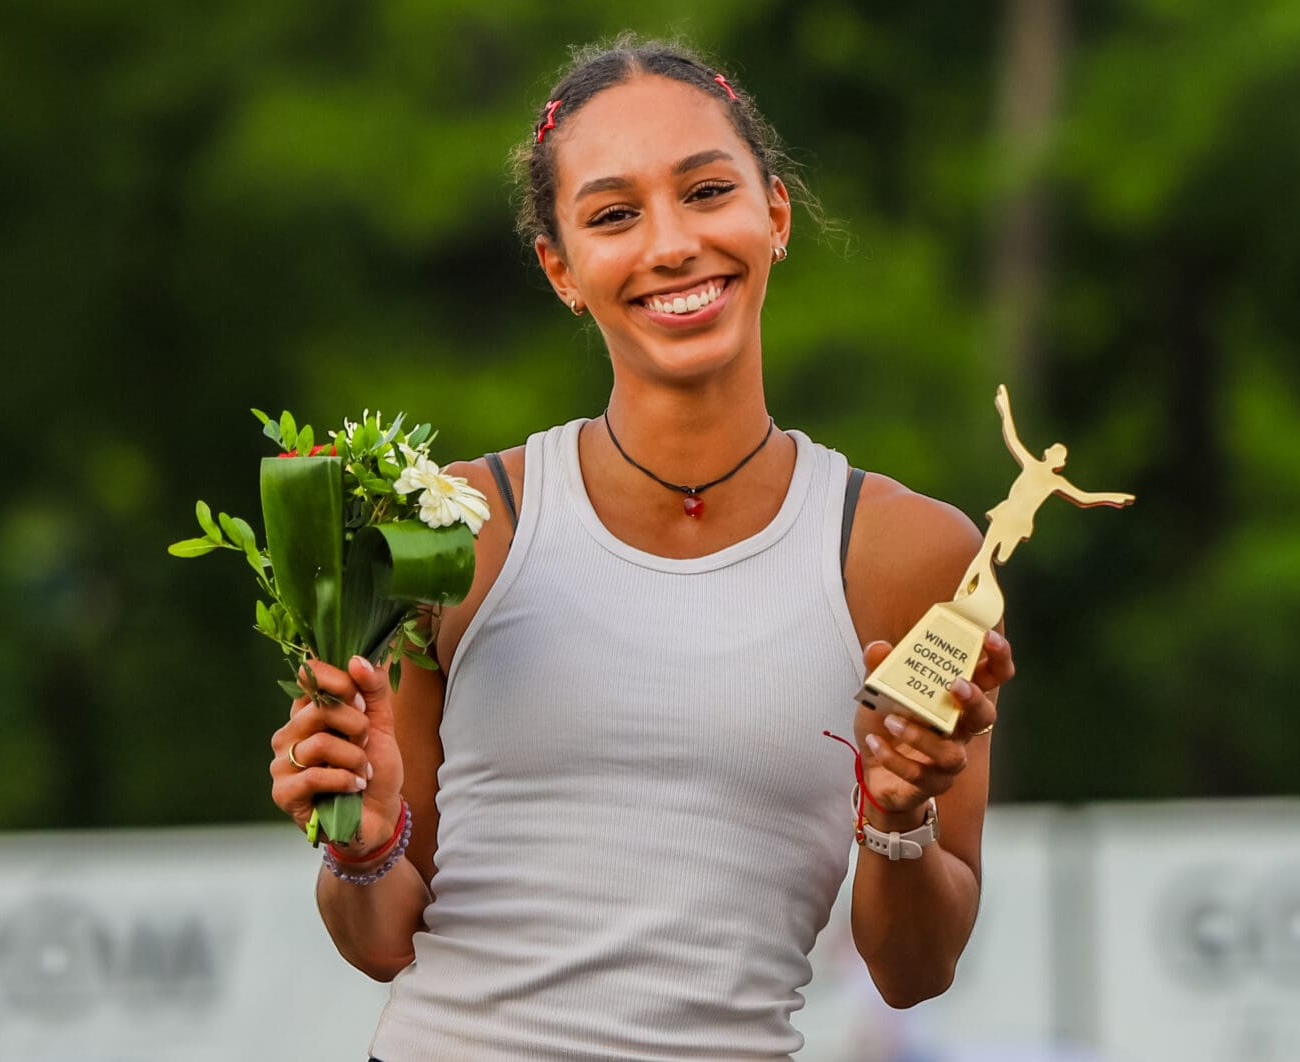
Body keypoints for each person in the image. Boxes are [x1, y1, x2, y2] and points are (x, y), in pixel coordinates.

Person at [267, 36, 1016, 1060]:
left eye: (707, 191)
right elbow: (383, 936)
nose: (670, 244)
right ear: (561, 269)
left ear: (776, 216)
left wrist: (898, 816)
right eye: (614, 215)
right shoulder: (454, 530)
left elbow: (914, 969)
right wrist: (360, 839)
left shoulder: (907, 554)